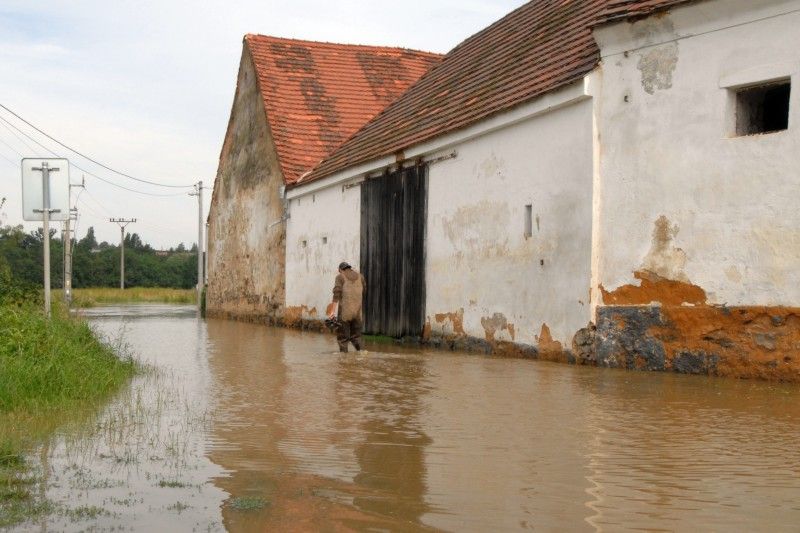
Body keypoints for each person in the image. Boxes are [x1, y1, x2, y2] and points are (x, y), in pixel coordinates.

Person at [329, 261, 366, 352]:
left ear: (340, 270)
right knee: (356, 337)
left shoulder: (340, 277)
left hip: (345, 313)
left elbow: (337, 293)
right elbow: (364, 291)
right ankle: (362, 355)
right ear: (350, 268)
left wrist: (332, 311)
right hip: (358, 313)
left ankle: (344, 361)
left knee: (343, 339)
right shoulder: (360, 276)